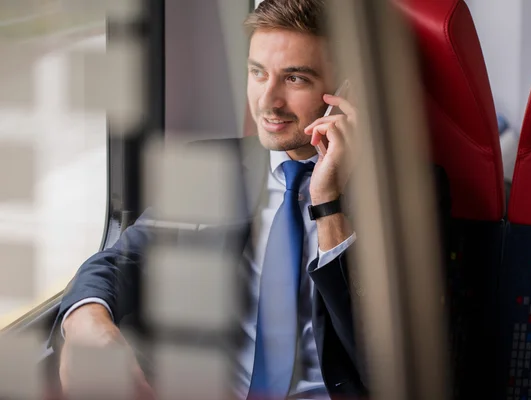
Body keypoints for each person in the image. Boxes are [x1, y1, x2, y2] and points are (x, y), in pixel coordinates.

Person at [51, 0, 451, 399]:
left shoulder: (406, 192)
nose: (268, 101)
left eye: (295, 79)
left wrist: (328, 204)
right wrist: (87, 319)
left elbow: (385, 363)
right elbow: (122, 259)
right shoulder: (211, 166)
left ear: (347, 92)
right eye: (258, 73)